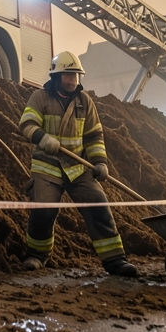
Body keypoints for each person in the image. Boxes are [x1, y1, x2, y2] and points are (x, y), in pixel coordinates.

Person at [18, 50, 138, 277]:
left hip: (78, 168)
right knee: (43, 211)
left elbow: (94, 136)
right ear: (56, 77)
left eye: (76, 76)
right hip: (48, 166)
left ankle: (115, 261)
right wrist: (43, 138)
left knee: (98, 204)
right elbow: (26, 124)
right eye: (68, 76)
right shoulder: (40, 98)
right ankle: (36, 255)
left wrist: (100, 163)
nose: (73, 81)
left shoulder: (85, 102)